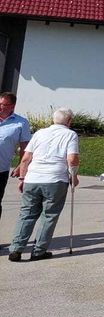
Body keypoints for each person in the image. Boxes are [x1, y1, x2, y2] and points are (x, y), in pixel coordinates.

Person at [8, 108, 79, 262]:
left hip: (33, 178)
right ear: (69, 121)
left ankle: (15, 249)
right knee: (49, 215)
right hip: (55, 179)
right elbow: (72, 159)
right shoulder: (70, 134)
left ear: (53, 119)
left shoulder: (39, 133)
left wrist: (22, 178)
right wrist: (74, 177)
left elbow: (26, 158)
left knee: (27, 213)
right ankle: (38, 251)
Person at [0, 91, 31, 223]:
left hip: (1, 169)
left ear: (12, 106)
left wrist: (20, 166)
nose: (0, 107)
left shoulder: (21, 123)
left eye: (3, 105)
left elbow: (25, 147)